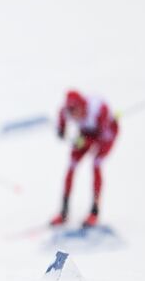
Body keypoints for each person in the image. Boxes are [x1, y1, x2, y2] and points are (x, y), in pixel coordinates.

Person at [50, 90, 119, 228]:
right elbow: (62, 120)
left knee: (96, 164)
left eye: (76, 112)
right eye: (71, 113)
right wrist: (61, 130)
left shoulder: (99, 110)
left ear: (83, 107)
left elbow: (101, 137)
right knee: (71, 166)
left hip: (107, 134)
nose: (74, 117)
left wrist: (84, 142)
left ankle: (94, 212)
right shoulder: (67, 111)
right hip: (86, 133)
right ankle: (64, 211)